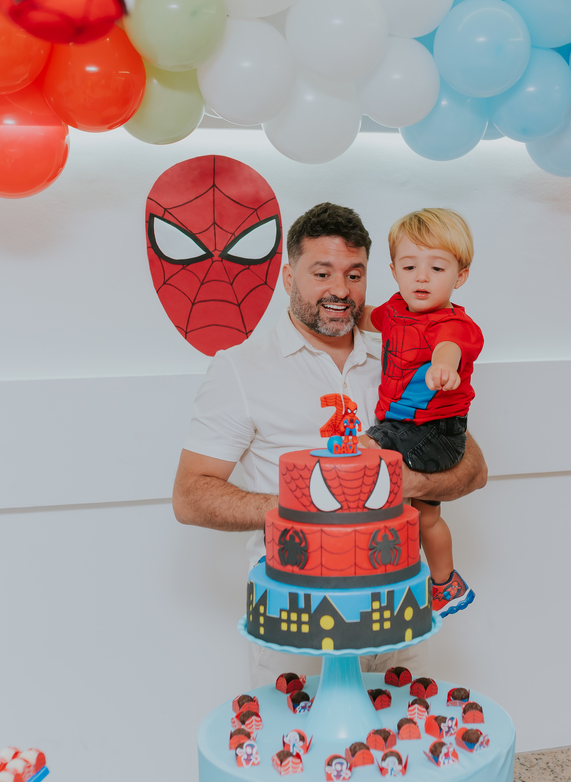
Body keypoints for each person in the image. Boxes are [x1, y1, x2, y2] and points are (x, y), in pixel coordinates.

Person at [173, 202, 488, 687]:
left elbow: (473, 466)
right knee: (305, 756)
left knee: (405, 750)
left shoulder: (401, 350)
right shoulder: (240, 368)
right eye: (322, 273)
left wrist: (413, 481)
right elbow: (191, 497)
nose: (340, 291)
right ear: (287, 276)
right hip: (300, 616)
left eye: (354, 275)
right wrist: (309, 505)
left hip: (399, 606)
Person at [357, 209, 483, 616]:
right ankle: (445, 584)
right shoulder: (394, 311)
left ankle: (409, 580)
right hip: (405, 426)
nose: (422, 278)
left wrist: (444, 366)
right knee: (424, 519)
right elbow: (365, 317)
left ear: (460, 276)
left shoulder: (454, 325)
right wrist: (339, 309)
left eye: (437, 267)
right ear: (394, 271)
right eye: (410, 266)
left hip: (438, 432)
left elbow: (450, 346)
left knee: (367, 448)